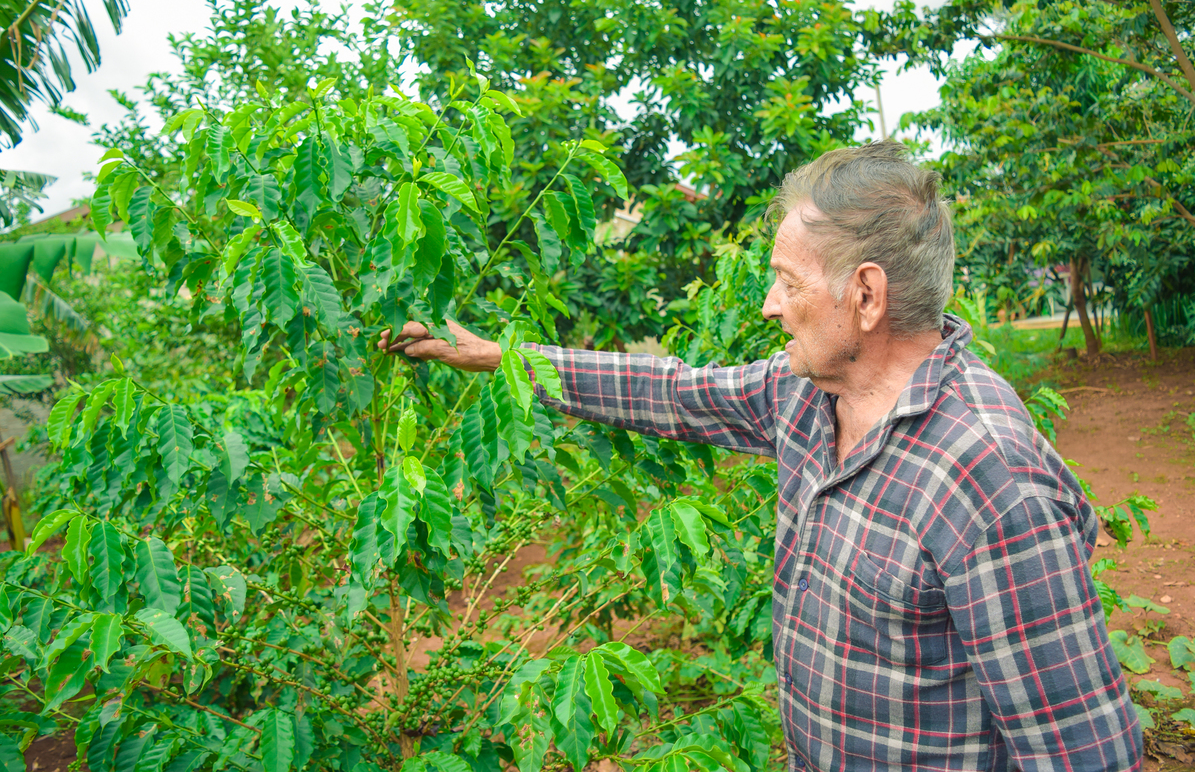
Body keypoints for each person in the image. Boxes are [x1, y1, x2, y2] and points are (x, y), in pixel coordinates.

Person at [380, 141, 1142, 771]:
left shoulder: (986, 478)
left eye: (786, 282)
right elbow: (673, 392)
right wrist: (497, 356)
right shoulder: (808, 394)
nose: (770, 306)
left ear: (867, 297)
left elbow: (1084, 752)